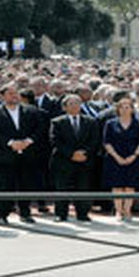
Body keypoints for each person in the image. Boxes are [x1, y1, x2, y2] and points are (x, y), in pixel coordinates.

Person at [0, 85, 43, 223]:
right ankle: (2, 214)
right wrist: (11, 143)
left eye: (16, 93)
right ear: (2, 96)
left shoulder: (32, 111)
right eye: (10, 93)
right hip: (5, 155)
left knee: (26, 184)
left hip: (27, 153)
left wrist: (28, 141)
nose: (14, 96)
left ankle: (25, 213)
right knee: (4, 185)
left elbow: (40, 129)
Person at [50, 94, 100, 222]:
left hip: (84, 160)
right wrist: (72, 154)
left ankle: (82, 213)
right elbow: (55, 141)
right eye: (71, 104)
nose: (75, 106)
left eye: (77, 103)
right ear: (64, 107)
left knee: (83, 187)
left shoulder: (90, 121)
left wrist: (84, 153)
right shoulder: (57, 122)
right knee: (62, 188)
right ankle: (61, 214)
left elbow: (95, 140)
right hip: (64, 161)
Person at [103, 96, 139, 222]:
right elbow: (107, 142)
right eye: (122, 107)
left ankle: (127, 210)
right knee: (117, 186)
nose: (124, 110)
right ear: (118, 109)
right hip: (114, 158)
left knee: (130, 186)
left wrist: (134, 156)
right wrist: (117, 157)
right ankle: (118, 211)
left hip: (133, 158)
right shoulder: (110, 123)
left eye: (127, 107)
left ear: (132, 109)